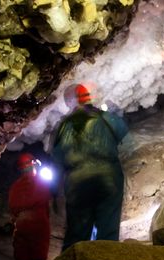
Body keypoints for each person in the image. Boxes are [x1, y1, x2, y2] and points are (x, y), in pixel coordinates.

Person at [51, 83, 128, 251]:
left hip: (78, 184)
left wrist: (55, 191)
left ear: (69, 102)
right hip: (109, 179)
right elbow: (122, 131)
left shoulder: (64, 125)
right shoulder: (104, 117)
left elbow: (57, 156)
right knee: (108, 232)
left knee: (77, 235)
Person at [8, 152, 51, 260]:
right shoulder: (40, 182)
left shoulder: (15, 187)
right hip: (37, 224)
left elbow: (12, 207)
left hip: (20, 225)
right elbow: (45, 202)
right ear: (33, 164)